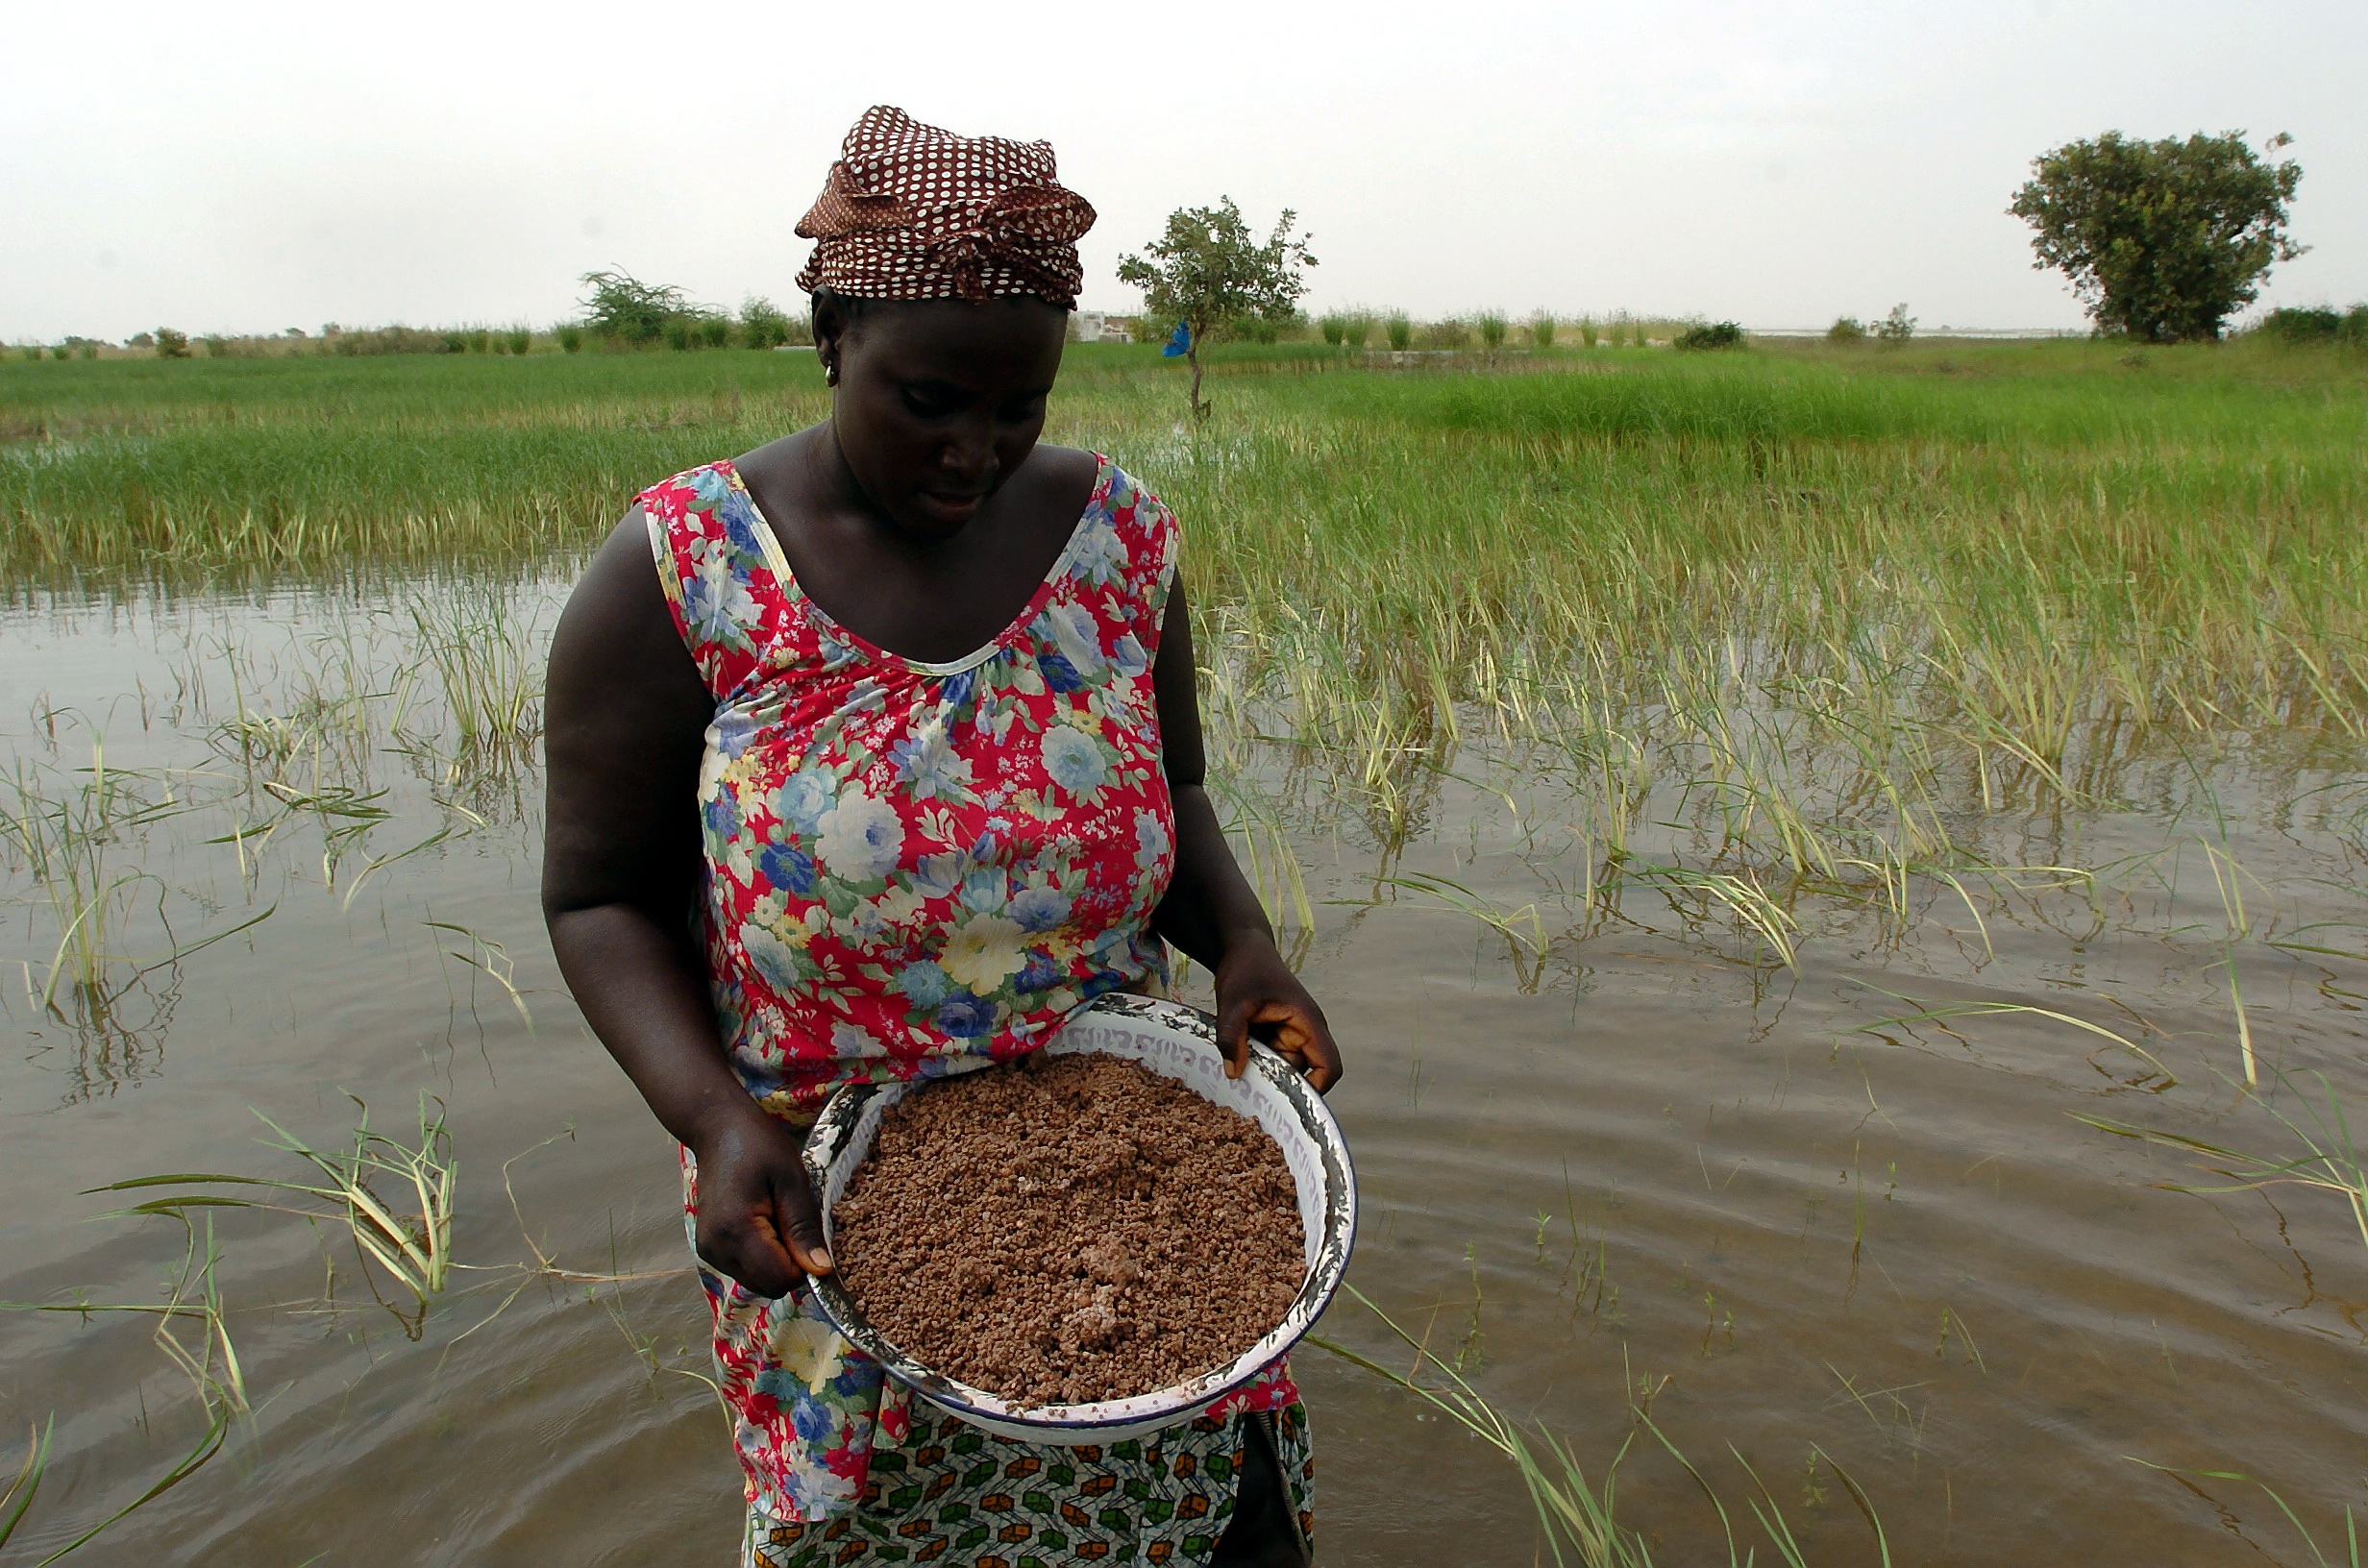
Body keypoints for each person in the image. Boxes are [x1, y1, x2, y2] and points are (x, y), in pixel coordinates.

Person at [541, 106, 1344, 1568]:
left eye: (1015, 408)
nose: (973, 449)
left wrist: (1241, 946)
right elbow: (598, 900)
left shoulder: (1117, 540)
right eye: (927, 399)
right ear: (833, 334)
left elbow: (1174, 791)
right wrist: (717, 1125)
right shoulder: (687, 570)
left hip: (1133, 1181)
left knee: (1206, 1529)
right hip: (825, 1198)